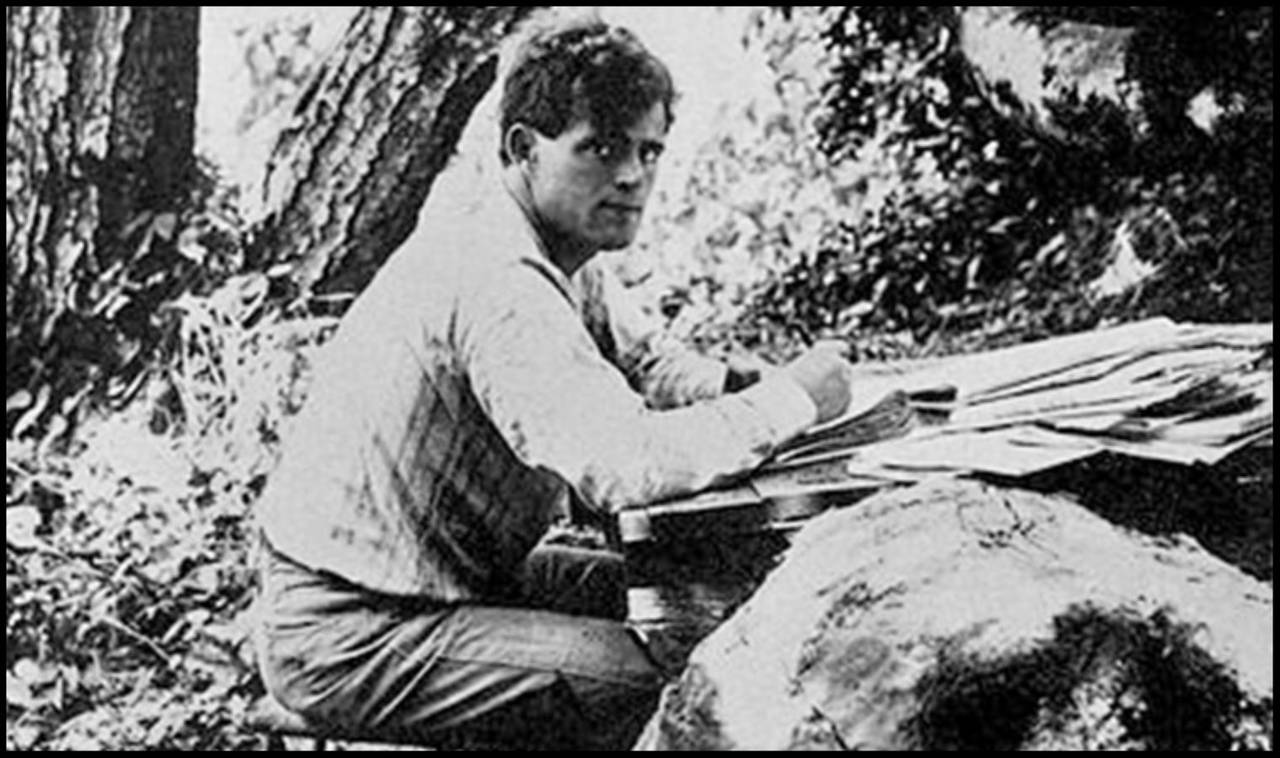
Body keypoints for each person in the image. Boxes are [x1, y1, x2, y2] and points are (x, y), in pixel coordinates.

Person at [251, 10, 853, 750]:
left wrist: (732, 385)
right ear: (522, 148)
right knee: (676, 682)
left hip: (451, 580)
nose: (631, 176)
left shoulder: (549, 244)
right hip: (355, 630)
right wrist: (791, 400)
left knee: (705, 595)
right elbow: (623, 465)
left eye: (648, 150)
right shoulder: (495, 273)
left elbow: (647, 362)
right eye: (600, 148)